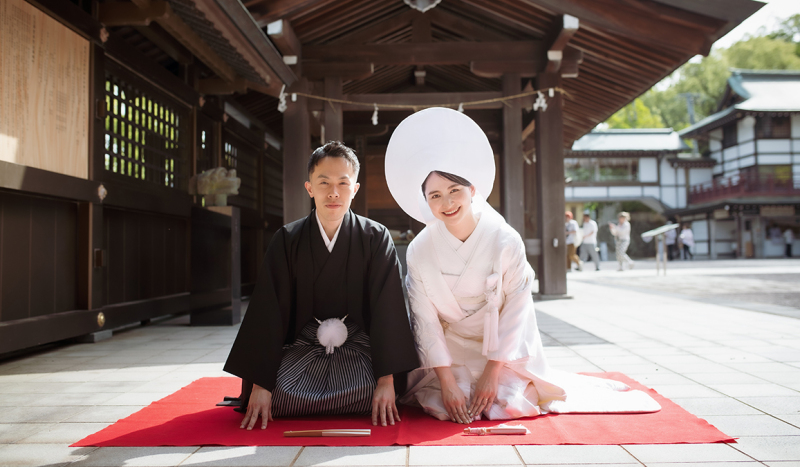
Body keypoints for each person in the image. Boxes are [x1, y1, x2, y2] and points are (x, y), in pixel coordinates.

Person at [385, 107, 659, 423]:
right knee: (444, 406)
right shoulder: (420, 250)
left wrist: (492, 370)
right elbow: (425, 320)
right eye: (435, 195)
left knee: (505, 406)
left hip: (501, 348)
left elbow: (517, 307)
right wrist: (445, 381)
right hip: (451, 349)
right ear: (425, 201)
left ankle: (504, 378)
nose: (446, 203)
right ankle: (449, 382)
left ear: (472, 190)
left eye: (454, 191)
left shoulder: (504, 239)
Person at [224, 141, 419, 430]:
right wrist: (261, 384)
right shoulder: (287, 239)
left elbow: (387, 309)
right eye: (324, 182)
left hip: (361, 349)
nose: (334, 192)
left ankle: (370, 387)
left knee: (378, 392)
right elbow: (268, 312)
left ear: (355, 188)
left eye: (343, 183)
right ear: (309, 188)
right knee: (276, 392)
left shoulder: (375, 238)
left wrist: (387, 380)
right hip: (302, 347)